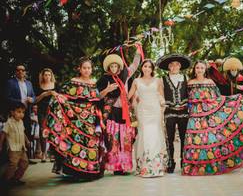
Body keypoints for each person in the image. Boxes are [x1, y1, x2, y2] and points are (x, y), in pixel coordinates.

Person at [182, 61, 243, 176]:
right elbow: (186, 98)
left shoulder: (210, 82)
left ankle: (210, 165)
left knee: (208, 139)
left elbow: (217, 97)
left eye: (202, 67)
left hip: (208, 113)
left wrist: (235, 100)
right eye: (197, 68)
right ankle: (194, 166)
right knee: (194, 140)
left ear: (205, 70)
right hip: (195, 114)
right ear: (194, 69)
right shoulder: (189, 83)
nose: (199, 70)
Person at [43, 57, 105, 180]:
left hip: (91, 118)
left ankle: (89, 170)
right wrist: (57, 97)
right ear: (79, 69)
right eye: (84, 68)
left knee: (90, 142)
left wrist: (106, 91)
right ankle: (75, 170)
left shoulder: (93, 83)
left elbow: (97, 99)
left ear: (92, 69)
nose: (87, 70)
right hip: (75, 117)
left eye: (89, 68)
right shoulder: (73, 82)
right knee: (76, 141)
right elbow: (65, 97)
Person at [97, 44, 143, 175]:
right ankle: (115, 166)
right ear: (108, 67)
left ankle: (125, 165)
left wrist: (138, 51)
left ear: (119, 66)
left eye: (116, 66)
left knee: (126, 139)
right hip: (111, 113)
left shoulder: (125, 75)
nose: (114, 68)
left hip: (125, 112)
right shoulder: (104, 79)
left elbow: (135, 65)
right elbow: (97, 96)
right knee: (113, 140)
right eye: (111, 66)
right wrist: (107, 90)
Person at [207, 57, 243, 169]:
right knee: (226, 138)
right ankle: (227, 160)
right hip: (226, 113)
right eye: (231, 69)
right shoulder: (222, 81)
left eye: (236, 69)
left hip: (241, 114)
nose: (234, 71)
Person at [128, 59, 167, 177]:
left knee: (155, 135)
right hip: (142, 111)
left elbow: (161, 97)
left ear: (152, 69)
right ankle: (144, 167)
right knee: (144, 136)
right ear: (142, 67)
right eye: (145, 66)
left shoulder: (158, 80)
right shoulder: (136, 81)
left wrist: (162, 105)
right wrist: (135, 98)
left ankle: (156, 167)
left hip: (155, 111)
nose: (147, 69)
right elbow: (128, 96)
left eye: (149, 67)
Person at [156, 54, 191, 173]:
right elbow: (160, 94)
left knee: (184, 138)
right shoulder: (163, 79)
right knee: (169, 138)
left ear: (180, 66)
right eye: (171, 65)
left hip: (184, 111)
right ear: (168, 67)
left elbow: (190, 94)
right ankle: (170, 163)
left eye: (176, 64)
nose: (174, 66)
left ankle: (184, 162)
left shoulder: (186, 78)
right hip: (169, 111)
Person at [6, 64, 36, 164]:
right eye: (18, 70)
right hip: (15, 112)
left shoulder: (29, 83)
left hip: (26, 112)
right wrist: (20, 101)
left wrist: (32, 99)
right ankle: (13, 158)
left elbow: (34, 97)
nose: (21, 72)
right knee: (14, 134)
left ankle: (26, 158)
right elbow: (7, 98)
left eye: (23, 70)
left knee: (27, 132)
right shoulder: (10, 83)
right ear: (15, 72)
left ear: (25, 72)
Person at [0, 102, 30, 185]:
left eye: (23, 112)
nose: (21, 114)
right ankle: (6, 179)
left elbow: (22, 133)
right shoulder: (9, 123)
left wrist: (27, 141)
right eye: (19, 112)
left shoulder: (21, 122)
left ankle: (16, 178)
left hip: (21, 148)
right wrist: (1, 145)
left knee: (25, 163)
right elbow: (3, 134)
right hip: (13, 149)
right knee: (13, 165)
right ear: (12, 112)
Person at [35, 68, 57, 162]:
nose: (47, 77)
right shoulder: (39, 86)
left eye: (49, 75)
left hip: (52, 110)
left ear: (51, 76)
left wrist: (54, 94)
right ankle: (43, 153)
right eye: (45, 75)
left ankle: (52, 154)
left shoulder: (55, 85)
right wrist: (44, 94)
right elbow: (35, 100)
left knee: (53, 131)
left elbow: (59, 97)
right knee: (42, 130)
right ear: (42, 76)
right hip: (41, 110)